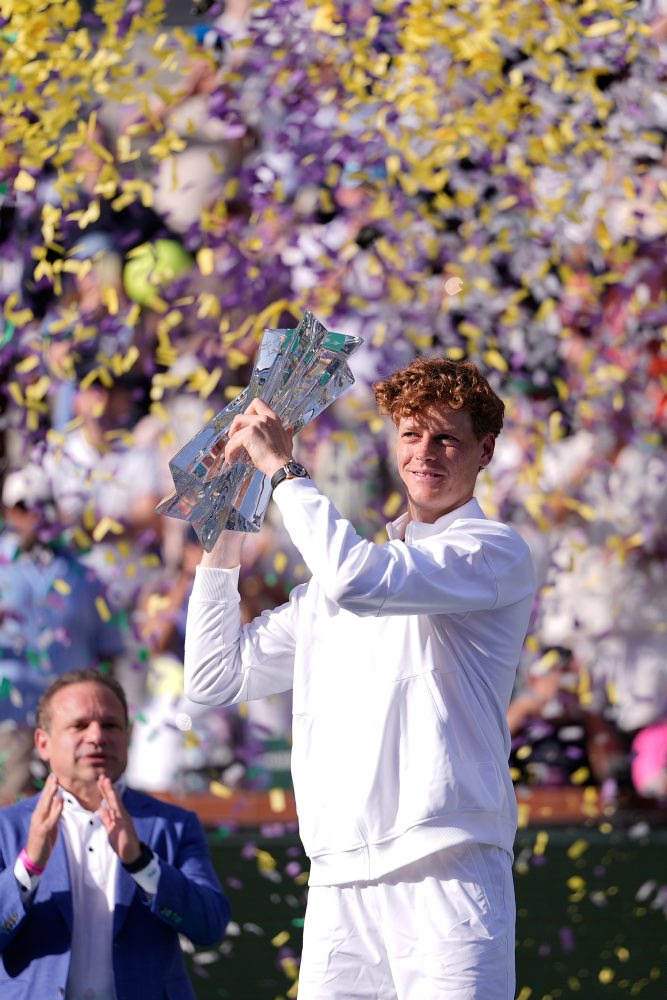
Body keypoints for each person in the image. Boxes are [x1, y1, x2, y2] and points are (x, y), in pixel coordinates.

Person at [184, 357, 536, 999]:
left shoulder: (492, 550)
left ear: (485, 451)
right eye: (411, 434)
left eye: (446, 437)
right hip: (339, 878)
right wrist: (229, 516)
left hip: (448, 868)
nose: (424, 452)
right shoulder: (340, 584)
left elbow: (356, 580)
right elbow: (213, 676)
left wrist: (282, 471)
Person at [0, 669, 229, 998]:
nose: (96, 736)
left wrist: (142, 864)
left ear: (128, 735)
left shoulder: (174, 825)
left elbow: (210, 926)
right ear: (43, 743)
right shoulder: (7, 828)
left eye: (109, 725)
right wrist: (29, 865)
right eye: (79, 725)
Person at [0, 466, 125, 800]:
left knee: (75, 807)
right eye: (25, 507)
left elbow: (109, 652)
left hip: (72, 722)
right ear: (9, 512)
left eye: (43, 506)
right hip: (9, 718)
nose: (35, 516)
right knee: (9, 810)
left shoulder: (85, 575)